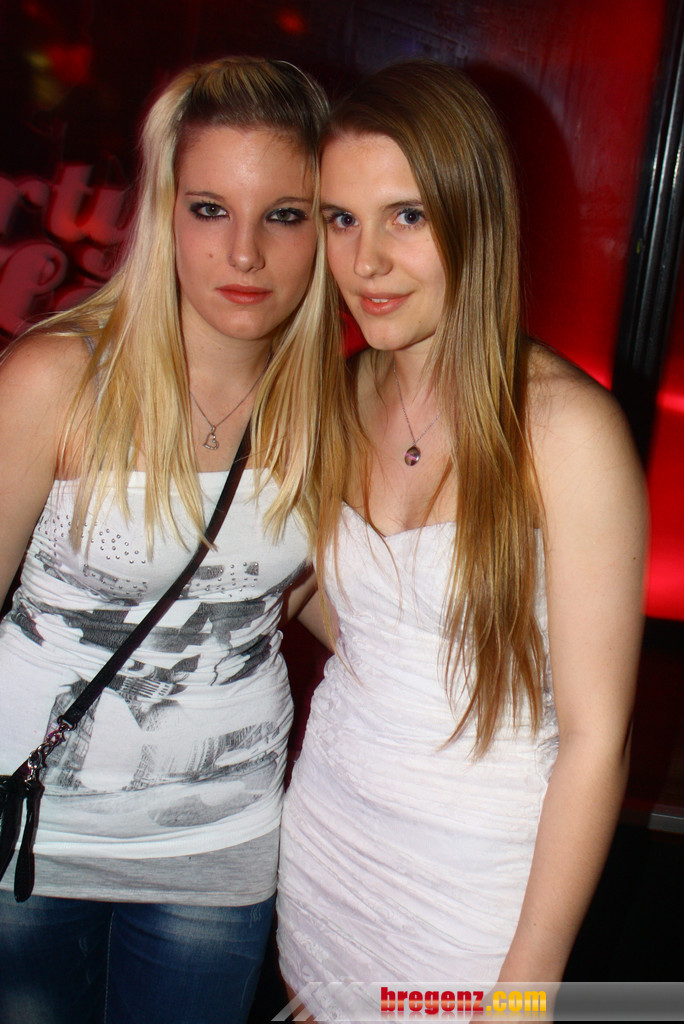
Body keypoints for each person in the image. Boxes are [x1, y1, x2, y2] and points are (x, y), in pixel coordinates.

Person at [277, 59, 647, 1018]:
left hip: (475, 886)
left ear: (475, 215)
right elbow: (363, 617)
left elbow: (597, 741)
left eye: (405, 216)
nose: (365, 262)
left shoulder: (566, 432)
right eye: (340, 219)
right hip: (325, 845)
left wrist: (524, 996)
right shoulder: (341, 394)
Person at [0, 56, 331, 1024]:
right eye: (209, 209)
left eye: (284, 214)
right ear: (164, 214)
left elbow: (300, 597)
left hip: (218, 846)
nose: (244, 253)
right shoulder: (58, 377)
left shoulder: (329, 406)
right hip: (34, 832)